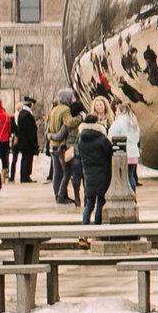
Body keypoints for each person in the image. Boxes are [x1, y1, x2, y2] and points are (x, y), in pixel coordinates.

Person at [77, 98, 114, 227]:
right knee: (100, 202)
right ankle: (97, 228)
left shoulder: (81, 139)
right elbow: (110, 151)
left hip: (88, 173)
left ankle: (84, 229)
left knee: (89, 203)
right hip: (102, 172)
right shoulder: (101, 139)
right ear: (97, 122)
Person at [46, 89, 79, 205]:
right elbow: (69, 122)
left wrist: (51, 136)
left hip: (53, 146)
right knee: (67, 173)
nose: (73, 100)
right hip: (61, 145)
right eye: (71, 97)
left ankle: (57, 195)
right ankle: (61, 196)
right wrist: (81, 117)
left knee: (57, 173)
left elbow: (48, 129)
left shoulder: (53, 110)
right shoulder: (65, 110)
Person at [110, 103, 141, 191]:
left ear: (120, 111)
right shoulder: (133, 121)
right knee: (131, 175)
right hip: (133, 153)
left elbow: (111, 135)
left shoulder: (118, 122)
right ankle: (133, 194)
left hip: (123, 152)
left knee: (124, 176)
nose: (115, 112)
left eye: (117, 111)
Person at [12, 98, 39, 183]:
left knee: (24, 159)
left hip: (22, 141)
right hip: (28, 142)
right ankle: (25, 176)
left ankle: (24, 175)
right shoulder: (28, 115)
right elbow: (30, 131)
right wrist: (34, 142)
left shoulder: (21, 114)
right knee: (28, 159)